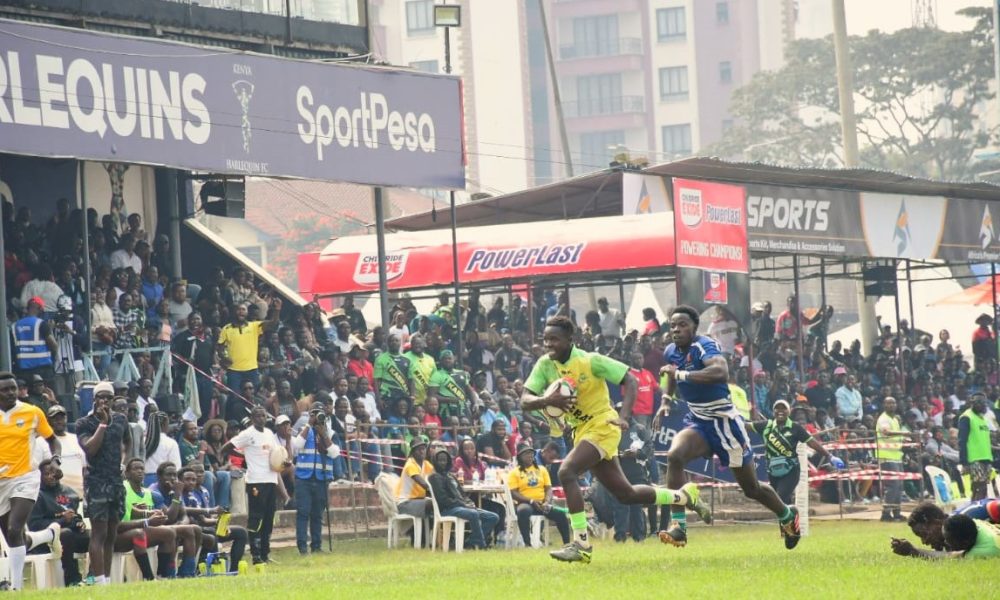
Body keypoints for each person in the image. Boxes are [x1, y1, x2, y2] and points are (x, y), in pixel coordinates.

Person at [520, 316, 702, 564]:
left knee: (566, 472)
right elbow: (524, 400)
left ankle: (581, 544)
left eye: (554, 339)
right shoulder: (544, 365)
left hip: (603, 424)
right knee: (625, 494)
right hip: (581, 431)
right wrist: (546, 401)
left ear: (570, 340)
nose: (548, 344)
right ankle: (683, 496)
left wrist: (625, 415)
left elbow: (631, 379)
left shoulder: (590, 360)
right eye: (545, 339)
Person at [658, 306, 801, 550]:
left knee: (751, 489)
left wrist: (680, 375)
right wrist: (666, 401)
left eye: (682, 324)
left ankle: (788, 514)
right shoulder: (671, 351)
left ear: (694, 327)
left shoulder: (704, 346)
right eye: (673, 326)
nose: (676, 330)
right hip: (699, 422)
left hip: (726, 425)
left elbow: (720, 371)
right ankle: (679, 527)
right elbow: (670, 375)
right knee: (674, 456)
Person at [0, 372, 61, 591]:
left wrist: (55, 460)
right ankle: (47, 535)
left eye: (12, 388)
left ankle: (16, 589)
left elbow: (54, 441)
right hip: (1, 482)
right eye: (5, 389)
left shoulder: (32, 413)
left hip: (25, 477)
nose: (10, 393)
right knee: (13, 538)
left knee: (14, 529)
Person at [75, 381, 128, 586]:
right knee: (99, 533)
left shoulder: (121, 419)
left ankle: (106, 578)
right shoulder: (84, 423)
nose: (104, 401)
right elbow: (90, 449)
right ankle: (97, 580)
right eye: (101, 397)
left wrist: (124, 461)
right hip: (97, 482)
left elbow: (128, 441)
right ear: (94, 399)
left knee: (112, 533)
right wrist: (103, 424)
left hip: (115, 481)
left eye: (108, 397)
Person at [748, 399, 844, 504]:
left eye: (783, 408)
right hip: (773, 470)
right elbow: (745, 426)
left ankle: (791, 516)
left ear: (788, 412)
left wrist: (830, 456)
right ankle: (792, 518)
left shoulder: (795, 428)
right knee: (781, 501)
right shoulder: (766, 425)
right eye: (777, 408)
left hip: (791, 470)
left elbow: (812, 442)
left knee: (780, 497)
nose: (780, 411)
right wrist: (731, 418)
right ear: (773, 411)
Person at [221, 406, 284, 564]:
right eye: (258, 416)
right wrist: (245, 456)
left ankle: (265, 553)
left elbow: (276, 454)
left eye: (263, 415)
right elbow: (226, 448)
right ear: (252, 418)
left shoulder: (269, 433)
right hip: (256, 480)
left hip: (271, 479)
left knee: (269, 518)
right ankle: (255, 554)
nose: (261, 418)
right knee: (257, 517)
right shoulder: (247, 434)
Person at [27, 458, 90, 586]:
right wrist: (61, 520)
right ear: (40, 476)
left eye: (53, 473)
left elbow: (74, 515)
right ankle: (72, 579)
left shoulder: (68, 492)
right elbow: (34, 525)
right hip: (46, 541)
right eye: (46, 474)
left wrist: (79, 523)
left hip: (71, 536)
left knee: (95, 536)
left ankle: (92, 577)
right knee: (66, 534)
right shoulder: (37, 495)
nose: (51, 477)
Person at [180, 465, 248, 574]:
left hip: (208, 526)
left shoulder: (204, 491)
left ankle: (234, 570)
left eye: (201, 472)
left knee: (241, 532)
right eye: (195, 473)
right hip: (200, 528)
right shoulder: (187, 494)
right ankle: (208, 567)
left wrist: (222, 523)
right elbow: (202, 519)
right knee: (212, 533)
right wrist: (217, 521)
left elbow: (208, 517)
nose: (199, 475)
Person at [427, 447, 499, 550]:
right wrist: (463, 505)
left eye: (445, 460)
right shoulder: (434, 477)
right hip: (448, 509)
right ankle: (481, 545)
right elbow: (443, 500)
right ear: (435, 461)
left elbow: (463, 495)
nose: (443, 463)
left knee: (493, 517)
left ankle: (470, 541)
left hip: (462, 506)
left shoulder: (451, 476)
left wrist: (469, 503)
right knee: (473, 514)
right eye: (440, 460)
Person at [291, 405, 338, 555]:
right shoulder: (305, 431)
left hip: (321, 479)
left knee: (317, 514)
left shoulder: (329, 432)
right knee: (303, 513)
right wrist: (309, 425)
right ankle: (302, 547)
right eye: (315, 414)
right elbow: (296, 446)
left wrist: (323, 435)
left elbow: (335, 453)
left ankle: (316, 546)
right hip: (303, 478)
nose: (318, 418)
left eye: (320, 415)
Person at [508, 443, 570, 548]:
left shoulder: (542, 469)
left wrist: (546, 501)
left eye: (531, 454)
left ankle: (567, 544)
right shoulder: (515, 472)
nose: (530, 456)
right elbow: (513, 493)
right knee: (523, 511)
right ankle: (527, 544)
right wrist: (531, 501)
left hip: (542, 504)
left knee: (560, 514)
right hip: (525, 503)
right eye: (526, 454)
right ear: (520, 457)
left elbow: (548, 488)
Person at [218, 299, 282, 399]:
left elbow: (273, 324)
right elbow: (220, 348)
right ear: (234, 312)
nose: (241, 311)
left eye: (243, 309)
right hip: (234, 371)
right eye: (238, 309)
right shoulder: (226, 329)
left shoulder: (254, 326)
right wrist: (225, 357)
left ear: (247, 312)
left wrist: (277, 310)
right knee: (235, 397)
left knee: (253, 396)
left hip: (251, 369)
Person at [876, 396, 915, 522]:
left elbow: (895, 436)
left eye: (893, 403)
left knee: (899, 486)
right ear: (884, 405)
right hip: (886, 456)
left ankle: (897, 512)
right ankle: (886, 513)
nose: (891, 405)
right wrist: (903, 434)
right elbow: (886, 432)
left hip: (896, 456)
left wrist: (903, 440)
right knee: (892, 485)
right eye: (888, 403)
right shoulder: (883, 419)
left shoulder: (895, 420)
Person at [958, 393, 994, 501]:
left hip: (986, 457)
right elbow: (962, 440)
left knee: (980, 488)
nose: (982, 405)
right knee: (980, 486)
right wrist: (964, 461)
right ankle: (976, 511)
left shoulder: (982, 418)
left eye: (984, 403)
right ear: (972, 403)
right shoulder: (966, 417)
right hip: (974, 458)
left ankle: (973, 512)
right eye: (979, 403)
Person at [12, 297, 57, 385]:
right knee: (48, 395)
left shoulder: (15, 326)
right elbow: (54, 346)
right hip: (43, 370)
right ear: (40, 309)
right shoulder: (41, 324)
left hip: (22, 370)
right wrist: (51, 330)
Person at [45, 405, 85, 495]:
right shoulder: (41, 442)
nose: (59, 421)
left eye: (61, 418)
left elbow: (85, 468)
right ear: (48, 421)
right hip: (56, 496)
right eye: (55, 419)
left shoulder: (76, 439)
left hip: (80, 495)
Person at [429, 349, 478, 419]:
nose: (447, 360)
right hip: (445, 410)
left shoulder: (462, 373)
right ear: (441, 361)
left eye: (450, 358)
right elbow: (432, 395)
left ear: (454, 360)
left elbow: (470, 391)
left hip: (462, 409)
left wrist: (475, 403)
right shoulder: (436, 375)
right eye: (445, 358)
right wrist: (449, 399)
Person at [395, 435, 433, 524]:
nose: (421, 451)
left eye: (423, 449)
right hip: (404, 503)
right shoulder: (410, 465)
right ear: (412, 452)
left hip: (418, 500)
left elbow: (436, 476)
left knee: (438, 505)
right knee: (433, 504)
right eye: (418, 449)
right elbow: (423, 484)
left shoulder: (426, 464)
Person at [373, 334, 414, 412]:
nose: (394, 342)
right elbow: (376, 380)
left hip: (403, 397)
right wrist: (378, 399)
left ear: (400, 343)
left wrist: (412, 397)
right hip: (387, 397)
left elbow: (411, 380)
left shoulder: (407, 359)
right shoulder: (380, 359)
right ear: (388, 343)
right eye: (391, 341)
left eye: (397, 340)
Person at [403, 334, 436, 406]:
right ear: (411, 345)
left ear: (424, 344)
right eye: (414, 344)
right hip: (410, 399)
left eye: (419, 343)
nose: (417, 346)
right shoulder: (405, 357)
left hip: (426, 400)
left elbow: (434, 380)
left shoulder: (430, 359)